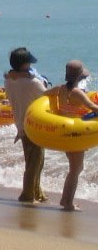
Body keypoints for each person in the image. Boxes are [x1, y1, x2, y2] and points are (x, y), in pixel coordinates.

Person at [42, 60, 98, 211]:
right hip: (75, 135)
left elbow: (44, 94)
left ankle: (65, 200)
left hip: (64, 133)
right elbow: (93, 107)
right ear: (80, 77)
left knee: (75, 168)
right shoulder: (77, 93)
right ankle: (67, 203)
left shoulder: (60, 89)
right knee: (76, 169)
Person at [4, 47, 48, 204]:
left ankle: (37, 192)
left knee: (32, 160)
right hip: (34, 124)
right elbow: (46, 96)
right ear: (24, 64)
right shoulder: (33, 82)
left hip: (20, 124)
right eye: (28, 62)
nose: (30, 64)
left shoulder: (9, 80)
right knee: (35, 162)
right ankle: (28, 195)